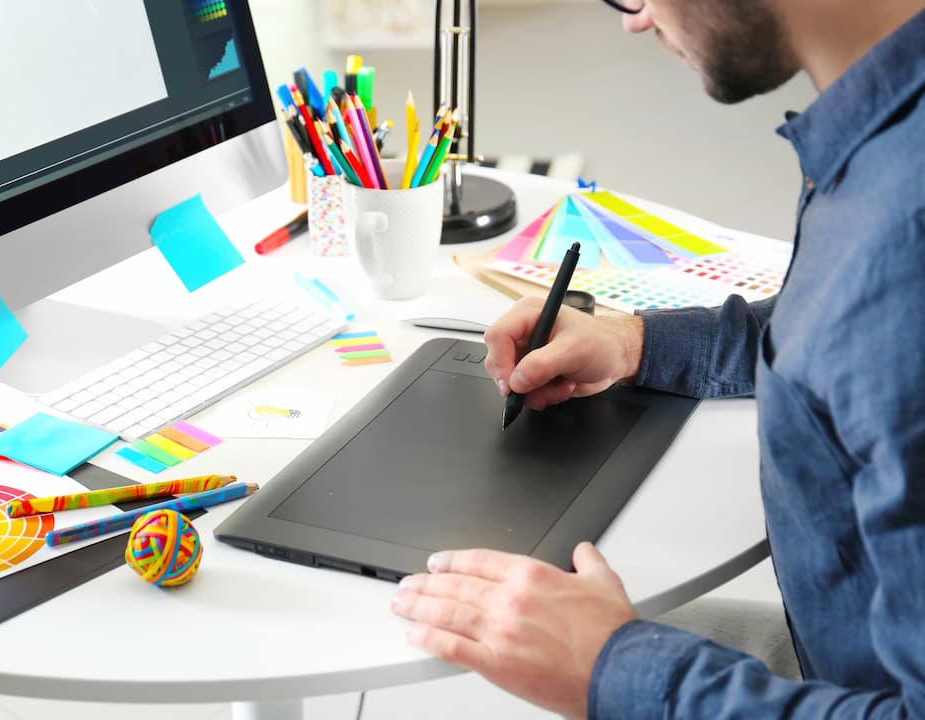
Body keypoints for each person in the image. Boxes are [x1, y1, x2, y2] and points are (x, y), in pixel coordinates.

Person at [390, 0, 925, 716]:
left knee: (452, 674)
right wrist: (636, 343)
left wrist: (615, 671)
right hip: (845, 654)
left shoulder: (903, 243)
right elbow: (841, 325)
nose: (634, 20)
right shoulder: (887, 146)